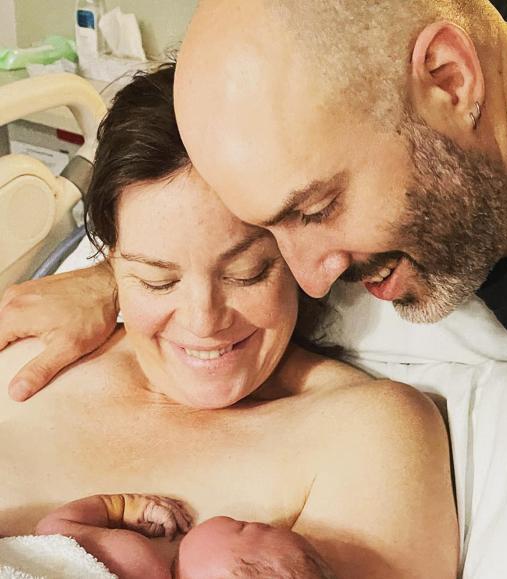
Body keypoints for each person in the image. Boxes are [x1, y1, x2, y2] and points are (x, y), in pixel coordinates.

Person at [2, 0, 507, 576]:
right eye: (155, 273)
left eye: (313, 210)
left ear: (451, 80)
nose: (313, 277)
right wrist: (118, 279)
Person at [0, 66, 459, 579]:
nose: (204, 322)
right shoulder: (38, 352)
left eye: (247, 274)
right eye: (157, 280)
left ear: (298, 251)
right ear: (114, 259)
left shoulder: (362, 436)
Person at [28, 493, 334, 579]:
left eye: (246, 527)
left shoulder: (136, 559)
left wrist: (119, 506)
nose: (259, 521)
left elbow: (51, 530)